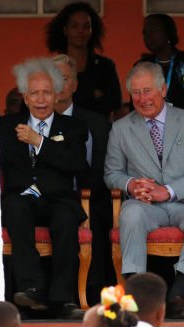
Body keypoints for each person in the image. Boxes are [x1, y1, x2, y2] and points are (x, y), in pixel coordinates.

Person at [0, 58, 88, 319]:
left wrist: (39, 142)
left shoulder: (73, 127)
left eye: (46, 92)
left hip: (58, 199)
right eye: (34, 93)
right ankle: (30, 288)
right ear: (25, 96)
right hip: (21, 197)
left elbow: (76, 163)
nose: (41, 99)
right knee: (16, 209)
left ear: (57, 95)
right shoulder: (6, 125)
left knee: (66, 219)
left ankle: (63, 299)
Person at [104, 62, 184, 320]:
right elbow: (111, 173)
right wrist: (131, 184)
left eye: (147, 91)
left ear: (163, 89)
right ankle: (135, 295)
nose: (142, 99)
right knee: (130, 214)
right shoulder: (121, 128)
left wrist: (168, 191)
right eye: (136, 93)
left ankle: (178, 295)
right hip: (144, 205)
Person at [53, 53, 114, 303]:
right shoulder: (29, 121)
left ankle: (94, 291)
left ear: (75, 85)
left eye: (64, 78)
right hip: (46, 197)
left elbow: (104, 171)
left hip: (87, 194)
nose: (58, 84)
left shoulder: (97, 123)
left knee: (99, 211)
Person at [45, 2, 121, 118]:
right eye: (74, 26)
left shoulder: (105, 66)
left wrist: (70, 96)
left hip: (97, 131)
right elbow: (46, 101)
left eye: (86, 26)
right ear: (65, 30)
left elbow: (114, 102)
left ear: (92, 30)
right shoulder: (51, 67)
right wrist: (91, 94)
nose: (80, 31)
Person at [136, 13, 184, 118]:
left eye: (153, 30)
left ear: (168, 32)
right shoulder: (141, 67)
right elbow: (135, 107)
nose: (148, 35)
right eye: (145, 32)